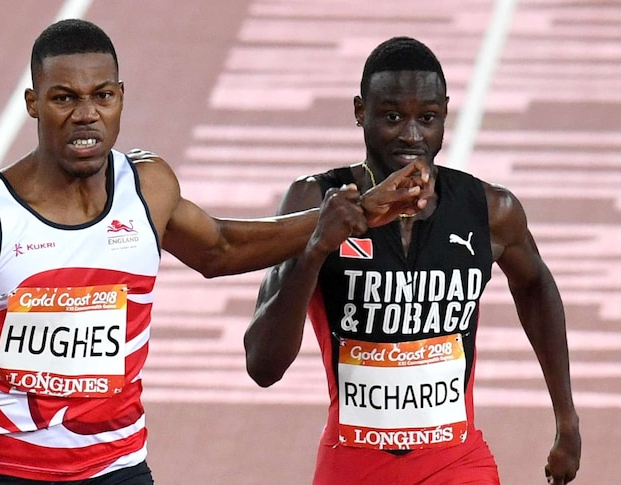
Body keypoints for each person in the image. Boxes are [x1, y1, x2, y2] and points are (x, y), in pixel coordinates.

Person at [0, 19, 431, 485]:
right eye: (64, 98)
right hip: (6, 474)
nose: (86, 114)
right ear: (32, 103)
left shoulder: (147, 188)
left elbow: (220, 248)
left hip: (119, 471)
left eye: (102, 96)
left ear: (120, 98)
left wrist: (348, 217)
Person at [243, 37, 581, 485]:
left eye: (427, 118)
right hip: (354, 464)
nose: (411, 134)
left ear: (444, 113)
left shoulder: (490, 210)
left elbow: (536, 286)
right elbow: (263, 365)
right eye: (391, 116)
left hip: (457, 463)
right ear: (360, 112)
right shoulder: (317, 201)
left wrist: (567, 420)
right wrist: (315, 250)